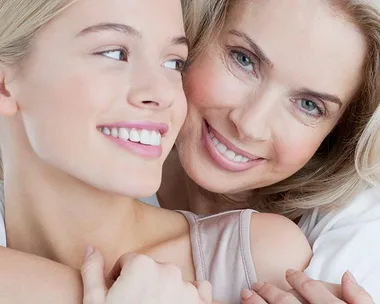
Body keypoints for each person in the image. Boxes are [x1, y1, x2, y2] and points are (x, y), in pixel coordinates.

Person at [0, 0, 315, 303]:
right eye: (114, 53)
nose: (162, 93)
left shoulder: (258, 260)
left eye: (173, 63)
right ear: (4, 83)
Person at [152, 0, 380, 301]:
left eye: (309, 105)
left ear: (339, 133)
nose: (249, 125)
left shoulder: (359, 238)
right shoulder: (97, 145)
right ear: (198, 28)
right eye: (244, 60)